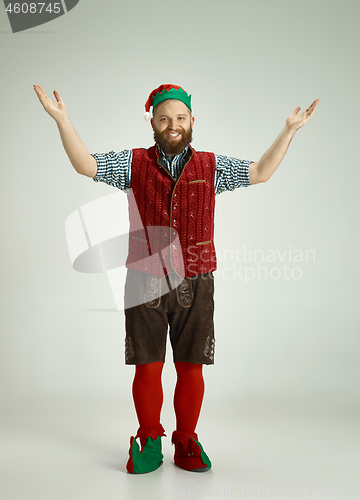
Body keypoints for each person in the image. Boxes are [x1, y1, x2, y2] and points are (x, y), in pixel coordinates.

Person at [33, 83, 319, 474]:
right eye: (165, 118)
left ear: (191, 122)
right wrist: (63, 120)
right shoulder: (133, 164)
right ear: (152, 121)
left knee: (190, 365)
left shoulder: (212, 166)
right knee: (147, 365)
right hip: (144, 278)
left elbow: (260, 172)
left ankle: (186, 441)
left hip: (197, 280)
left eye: (180, 118)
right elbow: (86, 164)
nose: (173, 125)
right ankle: (149, 439)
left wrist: (288, 131)